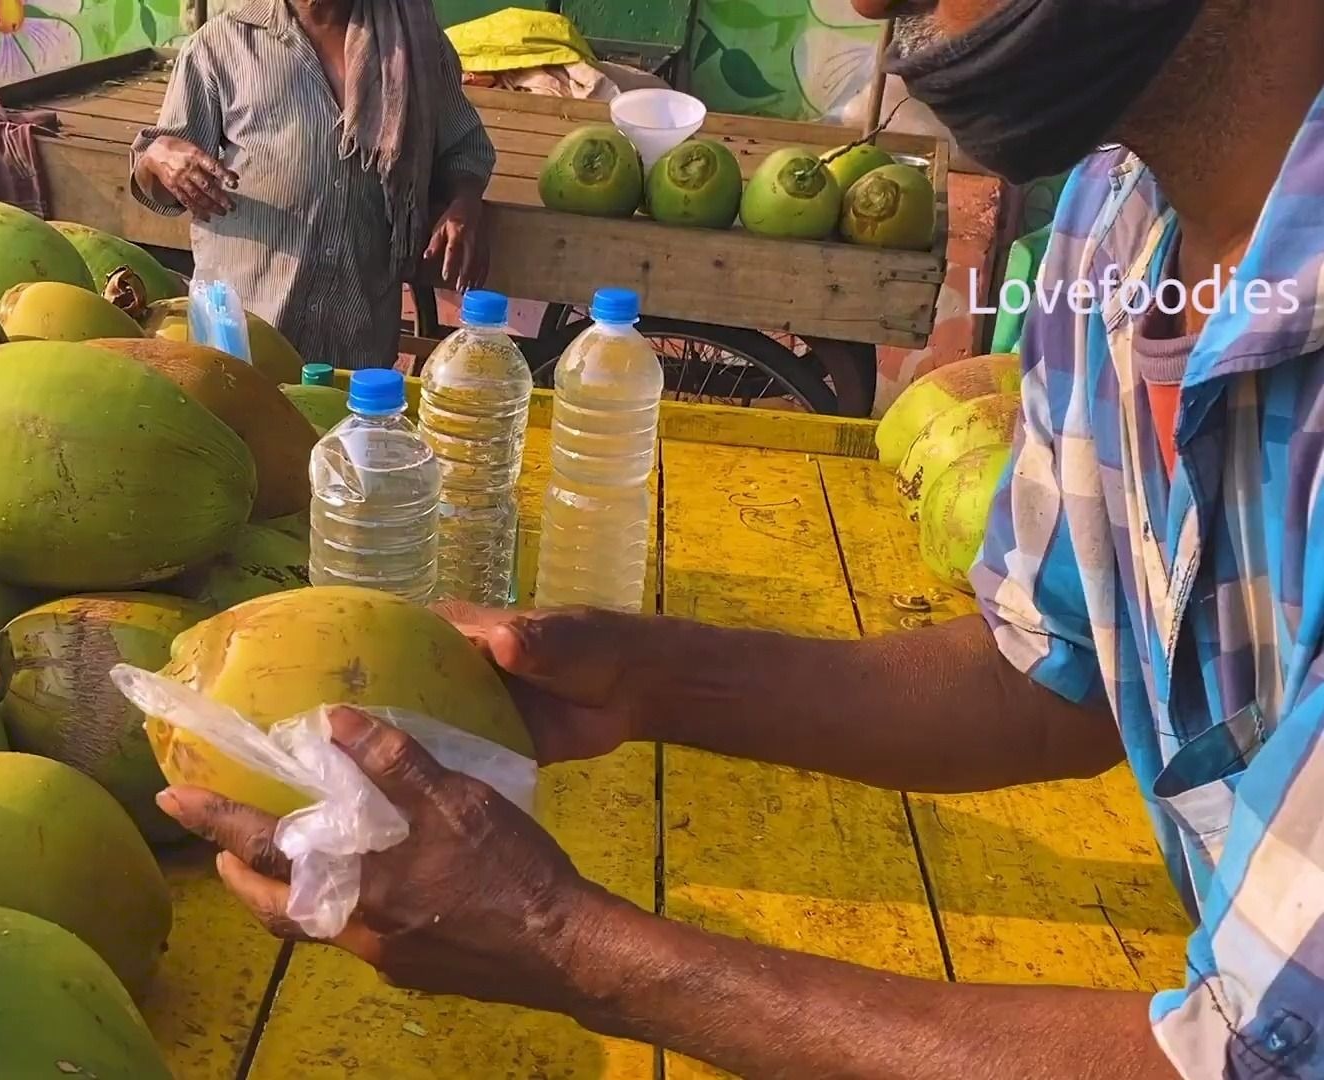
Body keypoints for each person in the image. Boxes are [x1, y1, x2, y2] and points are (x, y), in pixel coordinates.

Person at [159, 0, 1324, 1076]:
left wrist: (565, 945)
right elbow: (1058, 674)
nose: (868, 5)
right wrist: (648, 677)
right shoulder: (1120, 227)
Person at [129, 0, 495, 370]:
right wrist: (157, 158)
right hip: (240, 348)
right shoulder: (222, 45)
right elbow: (158, 181)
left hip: (356, 349)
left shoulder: (416, 43)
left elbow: (463, 147)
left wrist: (464, 202)